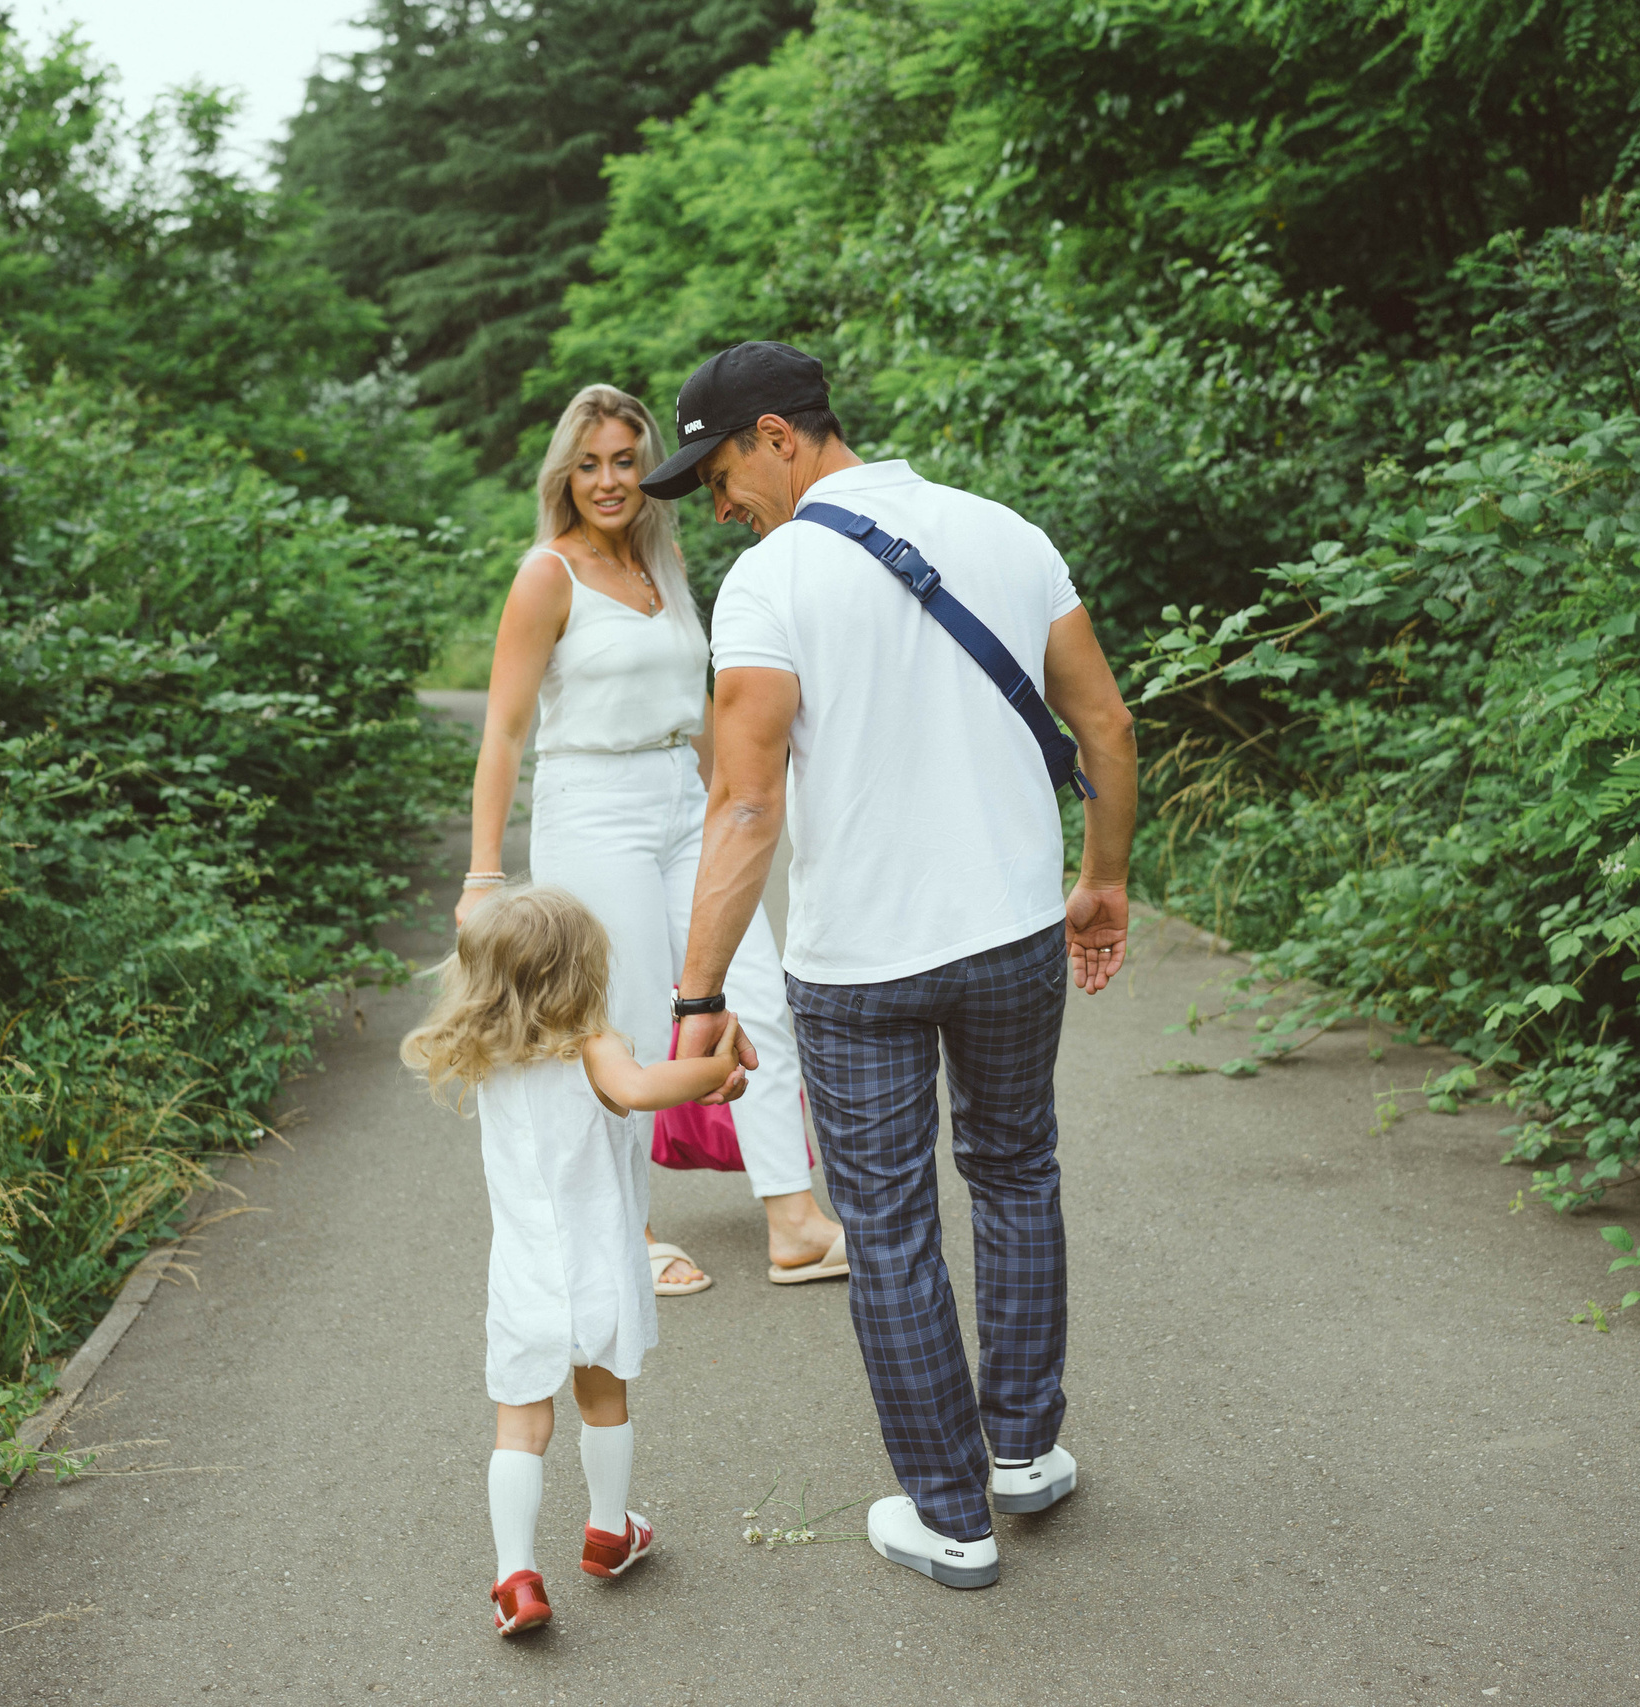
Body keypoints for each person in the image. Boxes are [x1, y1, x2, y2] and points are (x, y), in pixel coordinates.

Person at [641, 341, 1140, 1590]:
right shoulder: (1004, 533)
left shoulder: (771, 583)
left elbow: (743, 810)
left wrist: (698, 998)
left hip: (858, 965)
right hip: (1015, 934)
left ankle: (951, 1517)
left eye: (717, 474)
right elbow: (1108, 724)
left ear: (775, 434)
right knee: (1017, 1169)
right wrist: (1105, 879)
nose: (719, 505)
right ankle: (1022, 1456)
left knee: (892, 1225)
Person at [458, 382, 847, 1295]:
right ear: (566, 471)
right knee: (623, 1018)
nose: (609, 480)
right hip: (591, 805)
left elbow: (704, 707)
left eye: (626, 460)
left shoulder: (664, 569)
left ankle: (792, 1218)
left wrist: (734, 803)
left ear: (647, 468)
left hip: (682, 798)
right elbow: (504, 733)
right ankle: (620, 1230)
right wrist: (483, 874)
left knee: (755, 989)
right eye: (589, 463)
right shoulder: (545, 574)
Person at [399, 885, 744, 1637]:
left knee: (519, 1427)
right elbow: (644, 1089)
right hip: (596, 1272)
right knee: (602, 1403)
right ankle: (608, 1529)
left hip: (522, 1277)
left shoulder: (488, 1058)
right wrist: (713, 1069)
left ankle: (514, 1575)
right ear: (581, 973)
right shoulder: (594, 1045)